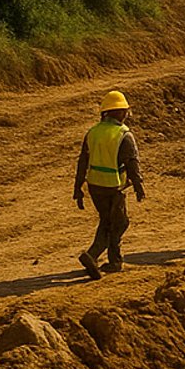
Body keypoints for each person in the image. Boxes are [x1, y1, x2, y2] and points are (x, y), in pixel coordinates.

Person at [74, 90, 144, 280]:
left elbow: (82, 161)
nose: (126, 115)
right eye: (125, 111)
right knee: (120, 223)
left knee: (106, 221)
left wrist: (77, 188)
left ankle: (110, 259)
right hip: (115, 187)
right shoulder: (124, 135)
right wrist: (138, 186)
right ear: (120, 112)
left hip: (95, 186)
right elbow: (132, 163)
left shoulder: (93, 133)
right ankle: (97, 257)